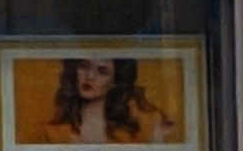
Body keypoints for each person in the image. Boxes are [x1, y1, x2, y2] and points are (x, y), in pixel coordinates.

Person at [39, 57, 173, 145]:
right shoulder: (50, 133)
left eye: (102, 72)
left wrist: (158, 139)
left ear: (115, 82)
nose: (89, 77)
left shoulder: (131, 135)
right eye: (84, 66)